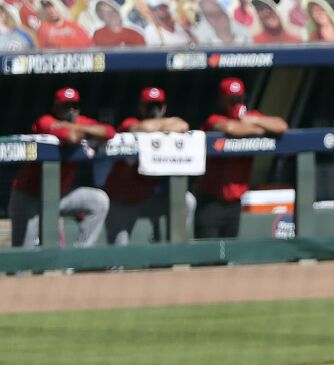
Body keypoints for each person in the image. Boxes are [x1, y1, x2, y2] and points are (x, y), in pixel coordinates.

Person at [9, 87, 113, 248]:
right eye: (66, 106)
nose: (71, 111)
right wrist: (81, 130)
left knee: (99, 201)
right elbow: (70, 137)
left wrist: (75, 126)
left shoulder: (79, 122)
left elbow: (108, 132)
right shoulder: (46, 120)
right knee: (23, 257)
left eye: (74, 106)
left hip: (59, 195)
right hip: (29, 196)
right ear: (55, 108)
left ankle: (78, 258)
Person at [196, 77, 289, 239]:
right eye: (231, 100)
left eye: (239, 98)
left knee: (229, 252)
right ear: (222, 100)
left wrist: (252, 119)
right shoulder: (214, 119)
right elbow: (231, 129)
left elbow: (281, 125)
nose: (236, 103)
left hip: (235, 203)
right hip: (211, 201)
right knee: (207, 256)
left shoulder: (251, 117)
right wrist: (260, 129)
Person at [103, 87, 197, 245]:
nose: (154, 110)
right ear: (141, 107)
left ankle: (175, 250)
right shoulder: (130, 122)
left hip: (148, 199)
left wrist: (161, 126)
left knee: (187, 200)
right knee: (117, 260)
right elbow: (144, 129)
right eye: (149, 106)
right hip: (122, 200)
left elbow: (183, 125)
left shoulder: (169, 128)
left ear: (164, 108)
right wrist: (163, 125)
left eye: (157, 106)